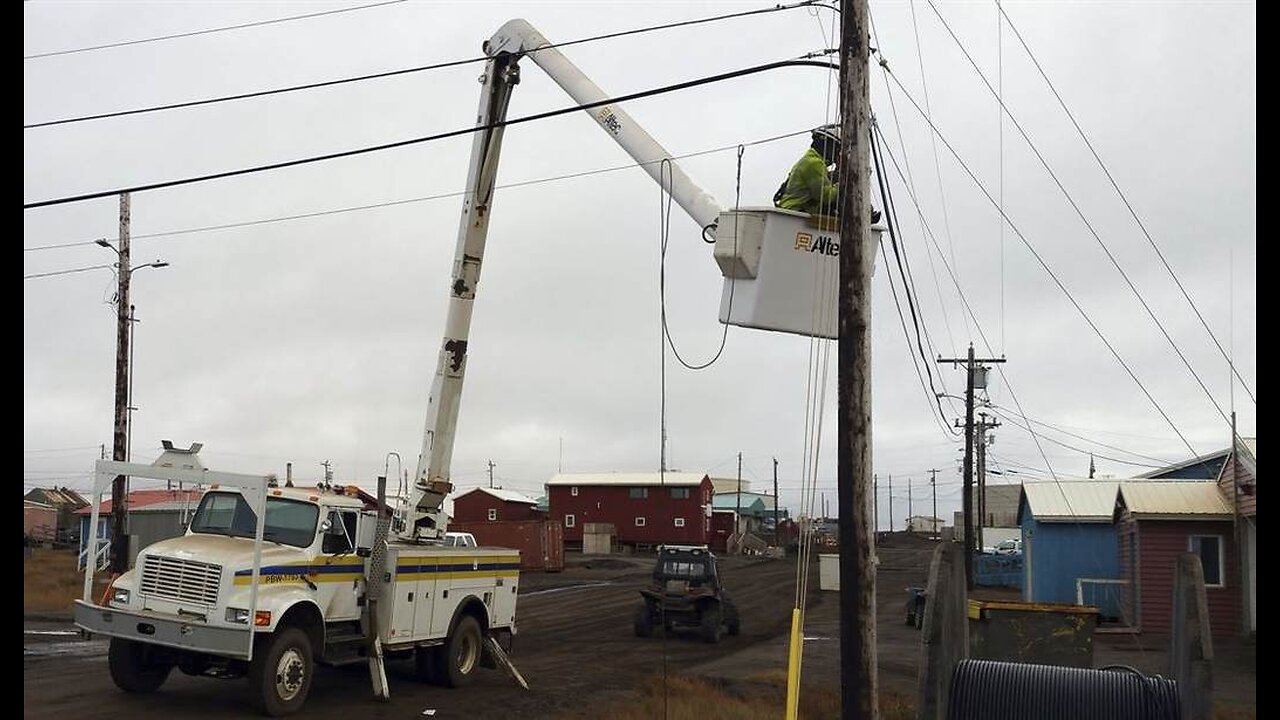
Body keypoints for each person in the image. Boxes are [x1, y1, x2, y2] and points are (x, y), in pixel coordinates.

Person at [774, 124, 881, 223]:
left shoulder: (809, 160)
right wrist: (846, 180)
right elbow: (827, 196)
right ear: (828, 145)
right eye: (837, 148)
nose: (836, 153)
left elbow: (826, 182)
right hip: (796, 213)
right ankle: (861, 218)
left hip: (796, 210)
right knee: (843, 191)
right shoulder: (814, 164)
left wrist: (841, 171)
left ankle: (863, 215)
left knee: (838, 181)